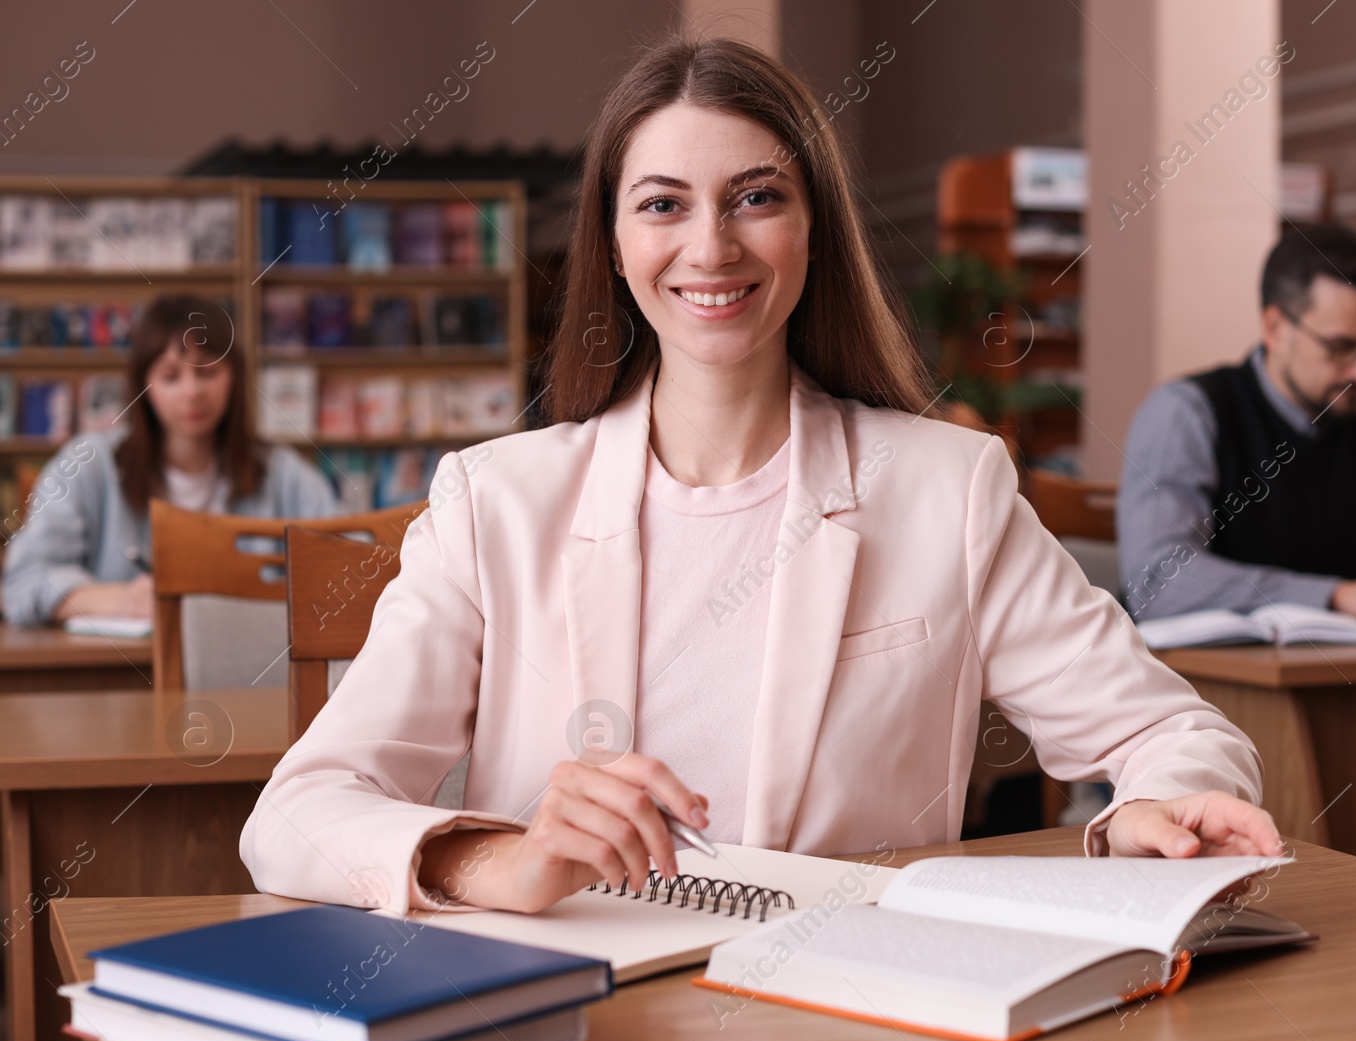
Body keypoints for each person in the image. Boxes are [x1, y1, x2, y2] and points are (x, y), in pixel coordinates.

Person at [240, 35, 1280, 920]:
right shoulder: (492, 502)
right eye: (661, 204)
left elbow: (1175, 732)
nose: (710, 245)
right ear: (610, 242)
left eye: (755, 197)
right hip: (576, 1014)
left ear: (811, 225)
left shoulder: (947, 486)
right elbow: (297, 813)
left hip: (851, 1008)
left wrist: (1158, 811)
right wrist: (501, 860)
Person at [1118, 223, 1356, 625]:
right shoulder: (1186, 413)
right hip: (1195, 676)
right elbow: (1157, 582)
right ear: (1274, 328)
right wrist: (1336, 596)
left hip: (1325, 669)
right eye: (1341, 347)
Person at [1, 294, 339, 626]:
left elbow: (351, 559)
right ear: (143, 385)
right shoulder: (88, 464)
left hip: (251, 669)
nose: (192, 392)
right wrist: (121, 600)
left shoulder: (279, 470)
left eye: (207, 373)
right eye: (170, 376)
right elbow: (26, 582)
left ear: (234, 378)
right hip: (125, 671)